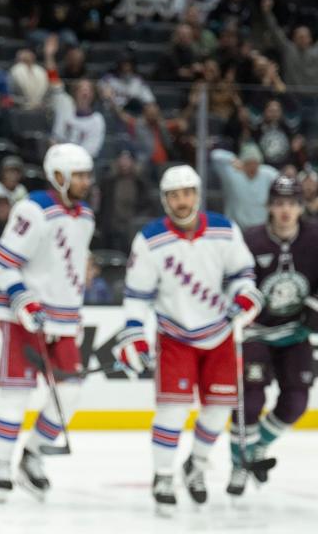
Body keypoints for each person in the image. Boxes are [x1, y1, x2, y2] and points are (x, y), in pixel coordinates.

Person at [114, 165, 261, 512]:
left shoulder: (224, 230)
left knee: (218, 410)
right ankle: (163, 474)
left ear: (197, 194)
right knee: (173, 411)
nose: (182, 201)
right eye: (174, 196)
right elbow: (137, 295)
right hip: (176, 335)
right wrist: (134, 335)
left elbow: (243, 273)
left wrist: (245, 295)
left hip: (221, 333)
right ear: (165, 200)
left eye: (187, 193)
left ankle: (195, 465)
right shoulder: (150, 239)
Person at [0, 143, 95, 502]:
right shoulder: (34, 210)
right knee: (16, 392)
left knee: (71, 391)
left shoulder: (86, 217)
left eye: (86, 174)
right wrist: (24, 299)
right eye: (78, 175)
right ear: (59, 177)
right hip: (25, 318)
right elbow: (2, 263)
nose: (85, 181)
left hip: (63, 322)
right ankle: (0, 464)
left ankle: (32, 454)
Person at [227, 177, 318, 497]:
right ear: (269, 206)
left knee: (296, 402)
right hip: (255, 333)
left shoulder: (314, 237)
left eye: (291, 204)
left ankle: (255, 450)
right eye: (279, 204)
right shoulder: (251, 241)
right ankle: (238, 462)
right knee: (250, 401)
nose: (285, 210)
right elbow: (233, 279)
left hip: (296, 333)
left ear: (300, 206)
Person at [211, 144, 281, 230]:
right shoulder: (232, 173)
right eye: (249, 163)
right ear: (243, 163)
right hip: (236, 228)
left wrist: (273, 199)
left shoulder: (268, 174)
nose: (252, 167)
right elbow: (215, 155)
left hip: (261, 229)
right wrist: (232, 159)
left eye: (255, 163)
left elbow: (283, 182)